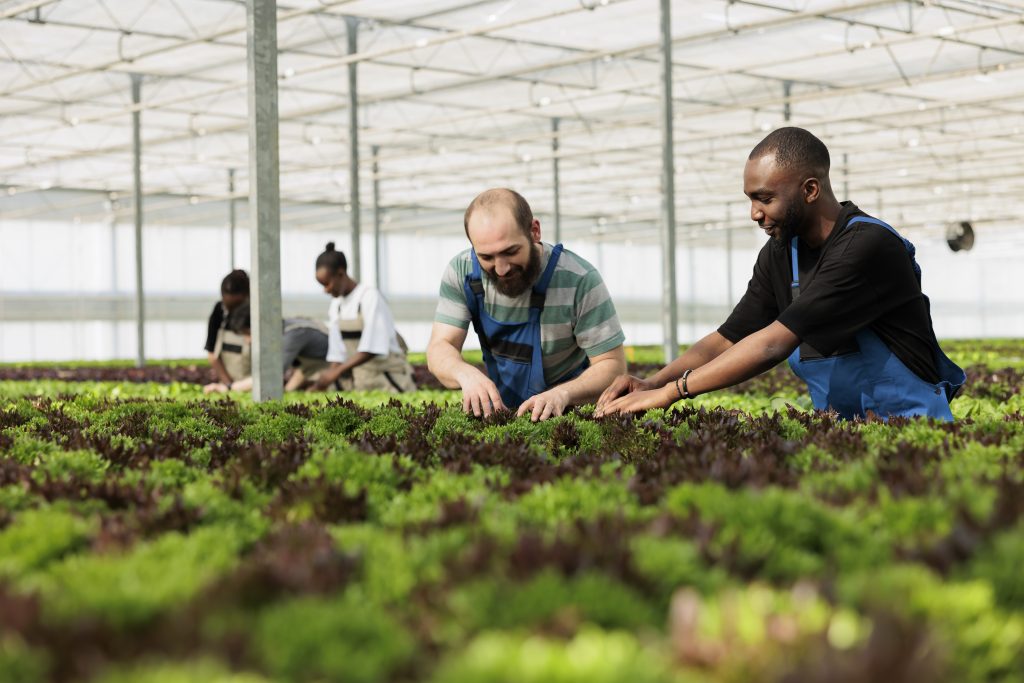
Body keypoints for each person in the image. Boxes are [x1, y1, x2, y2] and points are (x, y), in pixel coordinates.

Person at [597, 127, 965, 421]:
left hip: (911, 425)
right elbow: (728, 338)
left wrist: (672, 393)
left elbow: (772, 343)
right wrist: (652, 382)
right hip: (841, 430)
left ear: (810, 190)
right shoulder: (781, 253)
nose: (754, 213)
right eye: (750, 199)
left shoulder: (866, 246)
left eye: (765, 198)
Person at [427, 188, 627, 421]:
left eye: (511, 251)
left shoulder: (579, 280)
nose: (501, 269)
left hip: (567, 414)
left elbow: (612, 365)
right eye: (486, 257)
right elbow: (440, 347)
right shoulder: (463, 273)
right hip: (502, 414)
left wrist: (562, 394)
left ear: (534, 232)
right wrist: (465, 374)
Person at [311, 242, 417, 393]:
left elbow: (373, 347)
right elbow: (337, 353)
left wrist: (336, 372)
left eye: (327, 284)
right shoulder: (336, 305)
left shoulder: (369, 296)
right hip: (362, 380)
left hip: (388, 377)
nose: (325, 290)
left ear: (340, 274)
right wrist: (326, 380)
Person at [203, 301, 332, 394]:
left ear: (259, 326)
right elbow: (306, 367)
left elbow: (268, 376)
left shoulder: (291, 336)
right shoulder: (284, 329)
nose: (248, 341)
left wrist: (228, 388)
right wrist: (288, 391)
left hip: (336, 377)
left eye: (248, 334)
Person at [204, 269, 249, 386]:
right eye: (229, 306)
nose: (233, 310)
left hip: (253, 382)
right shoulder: (219, 312)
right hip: (228, 383)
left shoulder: (256, 313)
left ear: (247, 296)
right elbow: (212, 355)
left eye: (237, 305)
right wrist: (229, 385)